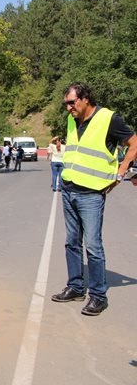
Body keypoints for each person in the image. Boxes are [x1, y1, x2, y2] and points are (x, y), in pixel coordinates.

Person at [50, 82, 137, 316]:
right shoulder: (71, 120)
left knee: (94, 247)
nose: (68, 108)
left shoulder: (109, 119)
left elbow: (134, 142)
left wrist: (121, 171)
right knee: (71, 242)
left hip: (91, 194)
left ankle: (98, 296)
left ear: (85, 98)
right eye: (66, 103)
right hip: (68, 190)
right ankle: (76, 287)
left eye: (72, 102)